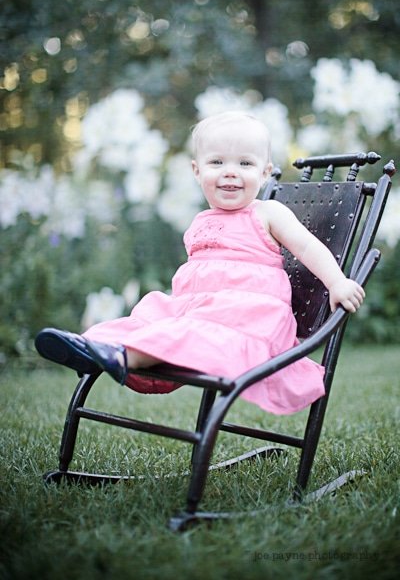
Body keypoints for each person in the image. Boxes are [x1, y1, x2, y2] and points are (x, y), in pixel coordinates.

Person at [35, 111, 365, 414]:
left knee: (186, 332)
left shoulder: (267, 213)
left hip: (245, 321)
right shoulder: (201, 220)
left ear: (265, 173)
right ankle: (94, 346)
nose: (230, 172)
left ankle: (118, 356)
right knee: (149, 319)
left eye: (245, 164)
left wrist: (336, 282)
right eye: (217, 162)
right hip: (197, 311)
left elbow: (309, 247)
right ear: (197, 171)